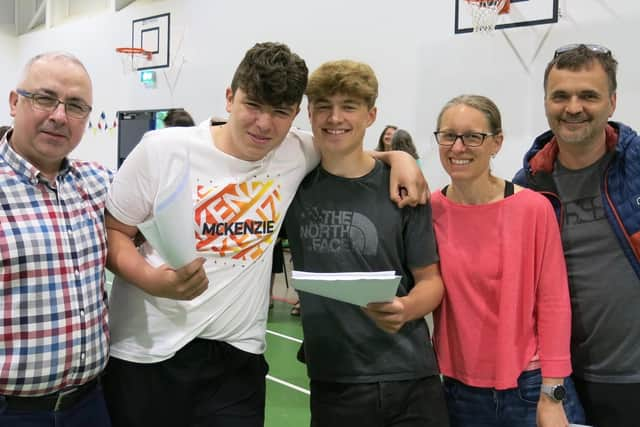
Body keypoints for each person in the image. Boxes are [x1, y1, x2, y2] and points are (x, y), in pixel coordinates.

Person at [102, 42, 427, 427]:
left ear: (295, 115)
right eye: (253, 105)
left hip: (237, 358)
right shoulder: (162, 150)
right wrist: (153, 281)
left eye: (280, 112)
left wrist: (400, 158)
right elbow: (114, 233)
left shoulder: (295, 151)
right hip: (147, 352)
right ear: (229, 97)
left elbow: (347, 148)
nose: (264, 124)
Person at [285, 59, 449, 427]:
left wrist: (405, 308)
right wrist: (399, 153)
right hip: (335, 380)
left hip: (411, 376)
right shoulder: (292, 185)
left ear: (371, 115)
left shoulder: (402, 188)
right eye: (324, 106)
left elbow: (431, 282)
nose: (335, 117)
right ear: (309, 115)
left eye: (349, 107)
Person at [431, 95, 585, 426]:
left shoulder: (531, 208)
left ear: (496, 143)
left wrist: (552, 393)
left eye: (473, 136)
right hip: (459, 390)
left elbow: (554, 302)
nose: (459, 147)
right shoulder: (428, 210)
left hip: (530, 388)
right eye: (449, 135)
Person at [514, 43, 640, 427]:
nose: (573, 107)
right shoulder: (527, 188)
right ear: (547, 102)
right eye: (561, 96)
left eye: (588, 95)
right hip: (566, 383)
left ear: (612, 102)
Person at [0, 52, 112, 426]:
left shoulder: (100, 184)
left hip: (89, 404)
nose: (59, 116)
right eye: (44, 98)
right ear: (15, 102)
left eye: (76, 106)